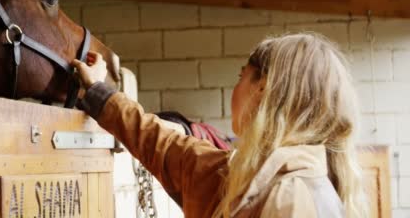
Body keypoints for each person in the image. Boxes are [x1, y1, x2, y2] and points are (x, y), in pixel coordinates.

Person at [72, 33, 367, 218]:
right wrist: (99, 92)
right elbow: (166, 146)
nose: (234, 88)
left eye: (242, 76)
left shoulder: (291, 197)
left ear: (262, 89)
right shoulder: (249, 180)